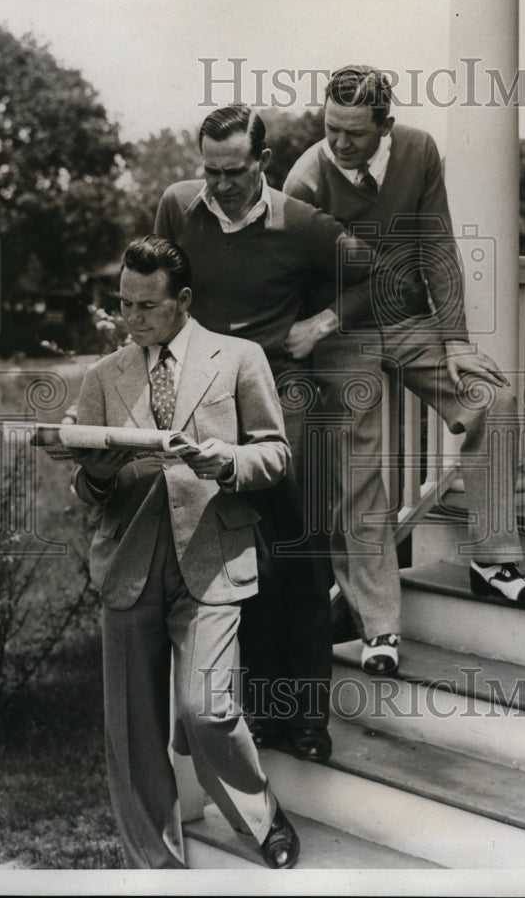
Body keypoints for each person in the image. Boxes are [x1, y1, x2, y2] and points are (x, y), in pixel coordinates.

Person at [283, 64, 525, 653]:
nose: (339, 142)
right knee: (362, 465)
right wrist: (317, 333)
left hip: (407, 322)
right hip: (339, 336)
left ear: (387, 126)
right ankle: (378, 624)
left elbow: (437, 244)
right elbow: (303, 280)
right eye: (331, 127)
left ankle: (494, 561)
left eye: (354, 132)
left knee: (495, 399)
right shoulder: (304, 179)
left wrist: (454, 338)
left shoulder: (419, 151)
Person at [153, 105, 375, 759]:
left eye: (233, 172)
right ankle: (239, 715)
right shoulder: (177, 207)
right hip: (201, 401)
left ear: (262, 163)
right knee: (222, 563)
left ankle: (302, 721)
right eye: (209, 171)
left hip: (280, 396)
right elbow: (159, 291)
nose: (218, 186)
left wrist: (321, 325)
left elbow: (382, 278)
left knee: (298, 555)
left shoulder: (301, 224)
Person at [71, 236, 299, 870]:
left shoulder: (239, 358)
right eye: (124, 304)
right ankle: (157, 866)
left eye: (147, 306)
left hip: (212, 556)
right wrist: (97, 471)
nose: (132, 318)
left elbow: (275, 454)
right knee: (133, 729)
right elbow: (86, 485)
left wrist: (226, 461)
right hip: (129, 562)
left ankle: (262, 819)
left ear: (184, 301)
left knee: (207, 709)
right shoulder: (102, 376)